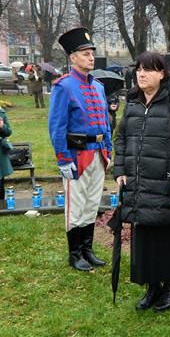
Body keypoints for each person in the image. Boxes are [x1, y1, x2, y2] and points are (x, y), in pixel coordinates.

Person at [113, 52, 170, 312]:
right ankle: (151, 287)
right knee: (143, 236)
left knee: (164, 235)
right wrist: (120, 170)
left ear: (162, 73)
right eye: (138, 69)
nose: (141, 74)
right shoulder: (133, 102)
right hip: (138, 182)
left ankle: (169, 287)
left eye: (148, 69)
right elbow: (121, 138)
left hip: (165, 182)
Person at [48, 27, 112, 272]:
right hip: (76, 155)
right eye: (85, 53)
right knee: (76, 206)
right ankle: (74, 254)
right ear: (72, 58)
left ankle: (87, 249)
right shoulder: (63, 87)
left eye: (91, 52)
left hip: (97, 154)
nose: (91, 57)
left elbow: (105, 122)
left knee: (91, 204)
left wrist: (108, 148)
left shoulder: (98, 87)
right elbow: (56, 127)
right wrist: (63, 158)